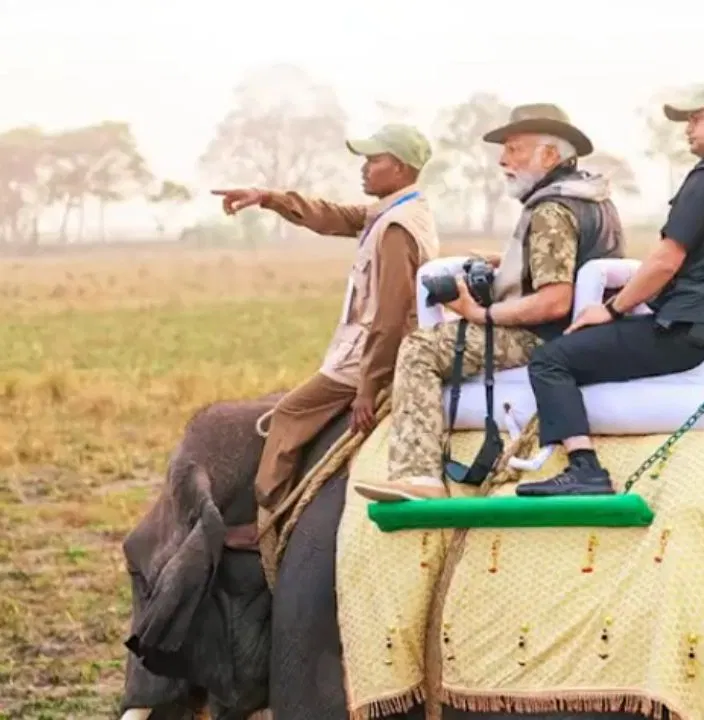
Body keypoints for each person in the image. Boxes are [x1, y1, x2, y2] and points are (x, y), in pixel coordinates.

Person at [515, 80, 704, 498]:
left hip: (687, 332)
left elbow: (664, 262)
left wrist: (612, 309)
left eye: (697, 118)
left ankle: (584, 468)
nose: (688, 129)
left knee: (551, 360)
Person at [352, 103, 625, 502]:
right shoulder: (593, 198)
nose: (502, 160)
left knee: (420, 347)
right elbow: (567, 264)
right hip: (580, 332)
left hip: (544, 334)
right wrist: (507, 263)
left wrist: (481, 313)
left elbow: (554, 301)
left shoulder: (551, 209)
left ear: (550, 155)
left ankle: (419, 477)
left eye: (514, 149)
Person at [211, 123, 440, 514]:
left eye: (374, 160)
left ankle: (271, 518)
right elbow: (329, 215)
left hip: (369, 357)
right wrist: (266, 197)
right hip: (368, 350)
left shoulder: (396, 228)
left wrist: (368, 385)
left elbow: (390, 316)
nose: (364, 168)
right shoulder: (395, 213)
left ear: (400, 168)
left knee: (289, 412)